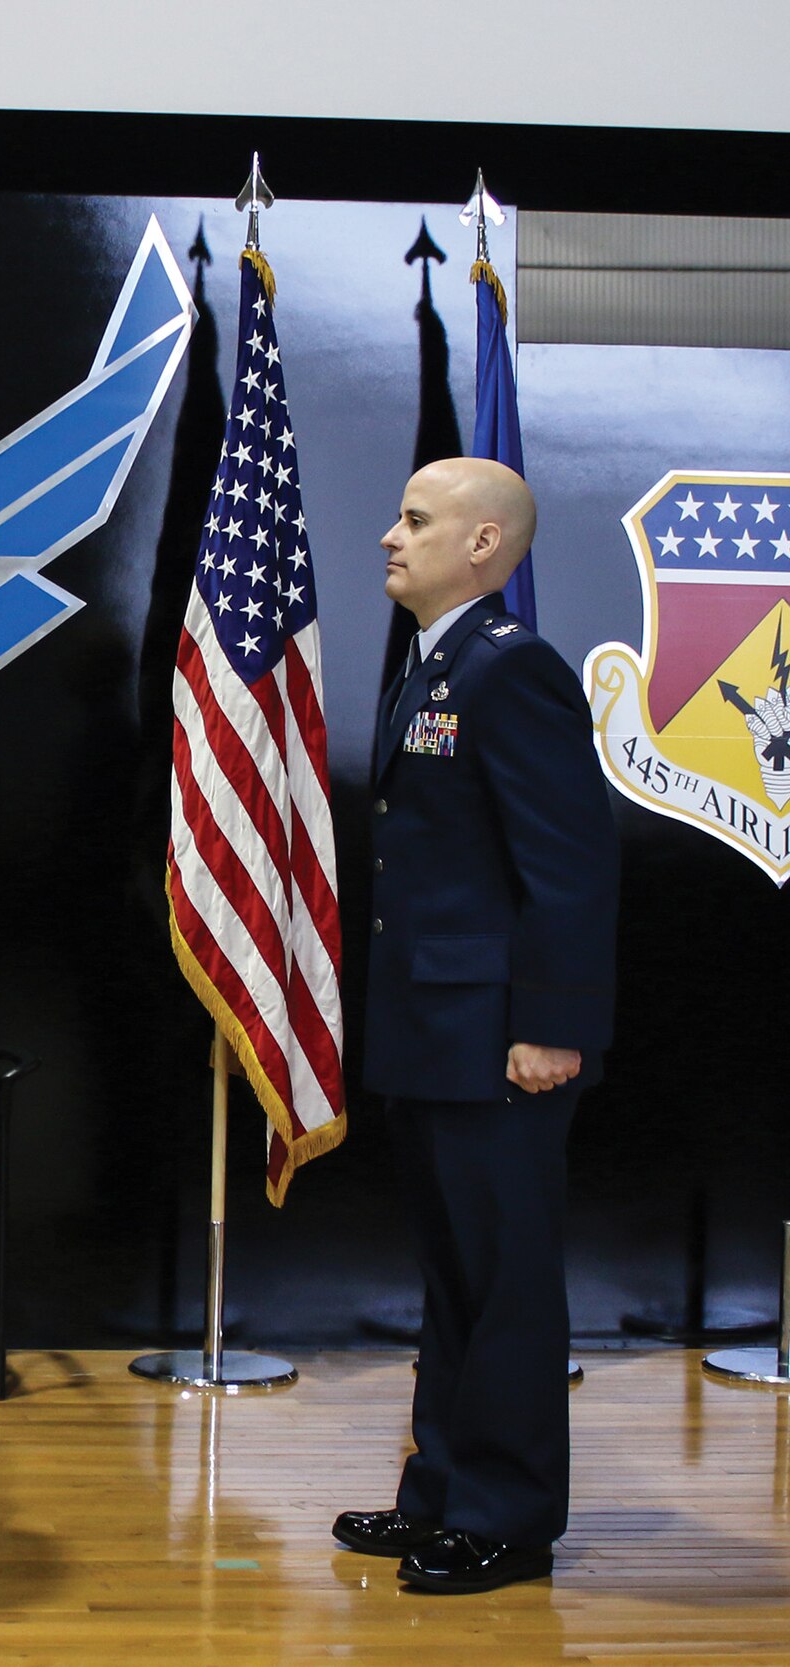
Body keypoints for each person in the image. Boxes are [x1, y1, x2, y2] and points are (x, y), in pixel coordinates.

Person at [332, 457, 619, 1594]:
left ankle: (505, 1514)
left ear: (485, 542)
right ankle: (441, 1489)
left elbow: (570, 865)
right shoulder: (436, 664)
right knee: (454, 1275)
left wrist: (550, 1025)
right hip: (433, 1028)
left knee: (502, 1279)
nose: (390, 537)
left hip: (500, 1037)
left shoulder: (512, 671)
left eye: (416, 519)